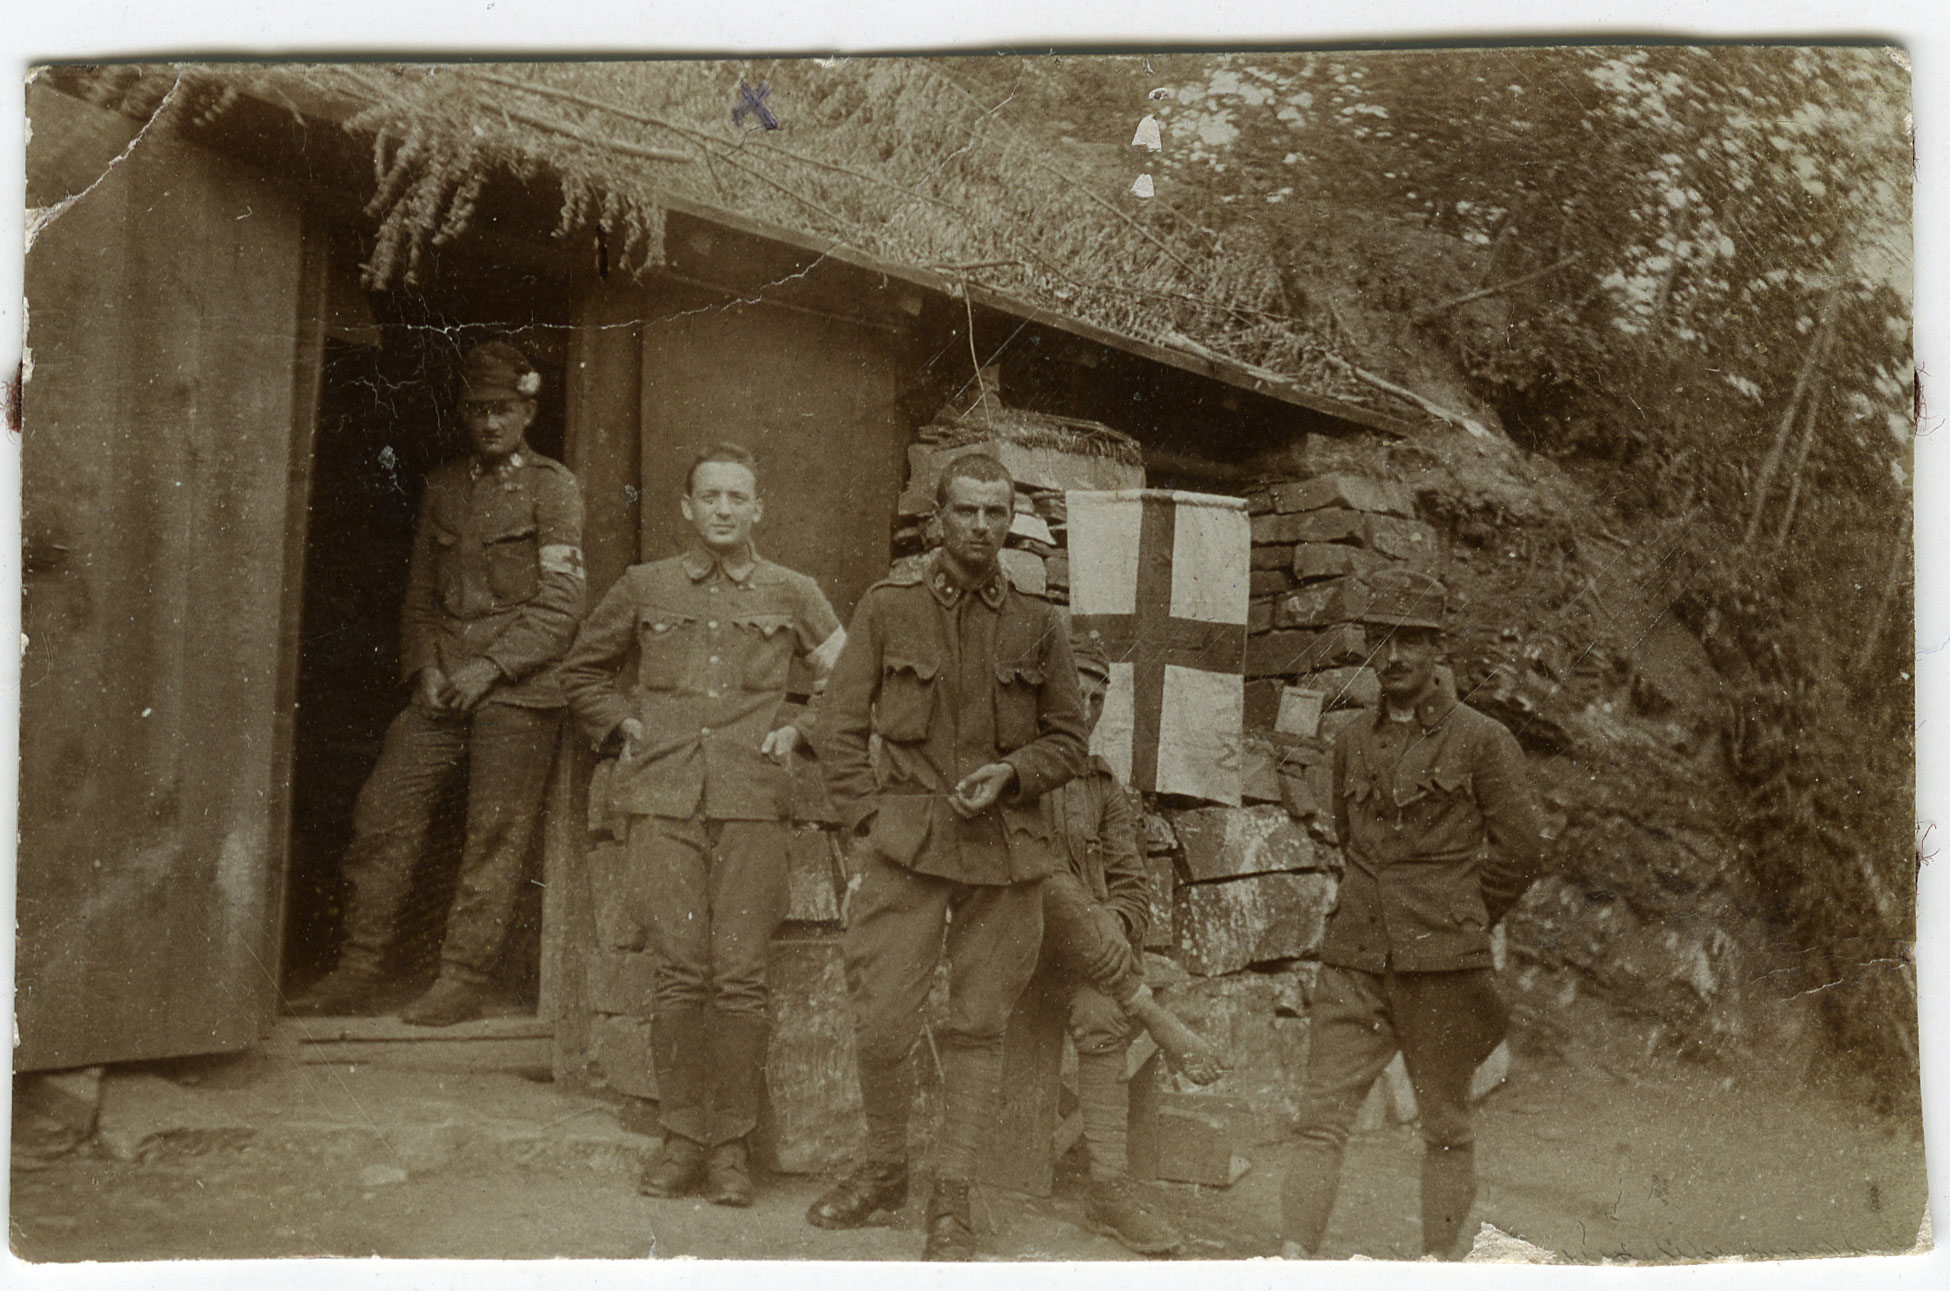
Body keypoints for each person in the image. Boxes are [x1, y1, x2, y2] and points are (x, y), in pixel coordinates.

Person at [807, 452, 1090, 1260]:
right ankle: (884, 1169)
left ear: (1010, 520)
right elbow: (838, 725)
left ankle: (952, 1194)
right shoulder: (888, 607)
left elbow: (1070, 741)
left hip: (1006, 853)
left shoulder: (1039, 623)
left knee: (977, 1026)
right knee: (881, 1023)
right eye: (966, 510)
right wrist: (867, 822)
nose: (980, 526)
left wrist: (1013, 773)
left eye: (996, 512)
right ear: (939, 517)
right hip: (907, 846)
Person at [558, 442, 844, 1208]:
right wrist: (621, 722)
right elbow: (581, 670)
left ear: (758, 508)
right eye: (709, 496)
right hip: (663, 799)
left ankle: (730, 1147)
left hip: (752, 801)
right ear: (687, 507)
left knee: (742, 976)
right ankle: (683, 1137)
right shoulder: (644, 585)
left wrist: (801, 730)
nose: (723, 508)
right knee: (681, 971)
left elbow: (850, 677)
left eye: (736, 496)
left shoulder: (793, 591)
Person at [290, 341, 586, 1028]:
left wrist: (492, 667)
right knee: (382, 809)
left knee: (494, 834)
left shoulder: (553, 487)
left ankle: (462, 979)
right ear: (462, 414)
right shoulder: (444, 486)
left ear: (528, 411)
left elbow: (562, 605)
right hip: (446, 682)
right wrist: (425, 667)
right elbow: (419, 596)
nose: (490, 422)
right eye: (478, 410)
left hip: (519, 686)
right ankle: (358, 969)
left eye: (503, 409)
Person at [1279, 568, 1553, 1260]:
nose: (1395, 656)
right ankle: (1290, 1261)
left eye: (1411, 641)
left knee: (1446, 1128)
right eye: (1383, 641)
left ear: (1437, 649)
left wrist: (1461, 913)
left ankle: (1435, 1266)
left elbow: (1522, 849)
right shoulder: (1351, 741)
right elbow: (1351, 836)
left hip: (1441, 966)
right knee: (1319, 1120)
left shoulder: (1482, 740)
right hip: (1355, 960)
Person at [1028, 630, 1226, 1256]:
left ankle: (1107, 1190)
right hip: (1020, 952)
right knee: (1052, 886)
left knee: (1102, 1011)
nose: (1086, 710)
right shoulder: (1020, 770)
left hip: (1091, 965)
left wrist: (1114, 921)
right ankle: (1155, 1016)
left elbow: (1134, 887)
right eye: (1075, 694)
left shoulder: (1103, 787)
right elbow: (1031, 878)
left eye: (1098, 698)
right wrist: (1097, 923)